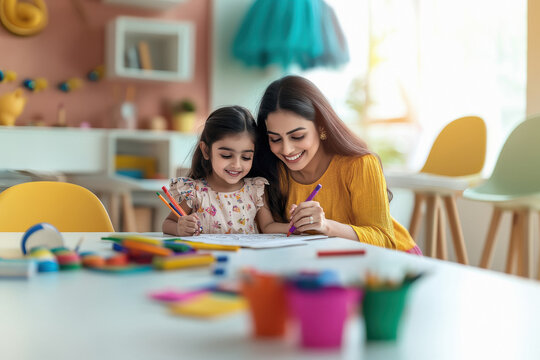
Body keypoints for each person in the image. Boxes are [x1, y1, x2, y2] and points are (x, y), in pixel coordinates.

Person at [254, 75, 421, 254]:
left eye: (297, 136)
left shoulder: (360, 164)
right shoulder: (271, 172)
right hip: (326, 263)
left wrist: (326, 226)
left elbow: (384, 240)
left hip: (392, 261)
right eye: (275, 139)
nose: (287, 150)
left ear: (321, 127)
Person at [162, 106, 289, 236]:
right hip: (208, 255)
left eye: (246, 157)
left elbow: (268, 226)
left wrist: (294, 226)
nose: (236, 165)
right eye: (226, 155)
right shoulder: (194, 191)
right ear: (206, 151)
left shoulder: (255, 189)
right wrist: (179, 228)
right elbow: (168, 223)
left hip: (245, 255)